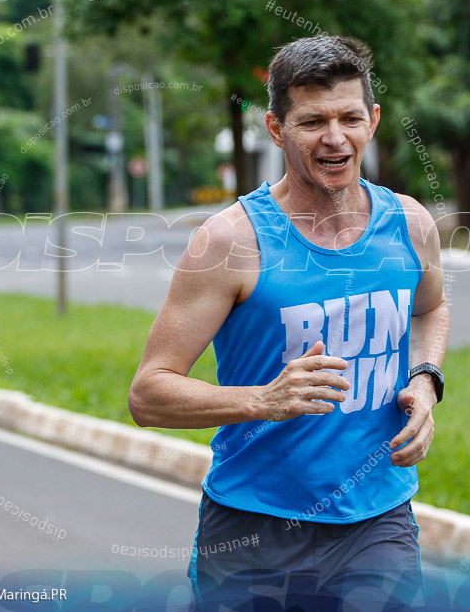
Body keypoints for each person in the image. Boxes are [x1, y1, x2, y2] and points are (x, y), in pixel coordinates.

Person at [129, 35, 448, 610]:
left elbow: (431, 307)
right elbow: (149, 394)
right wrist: (262, 401)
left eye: (350, 117)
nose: (335, 138)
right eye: (312, 122)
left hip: (377, 523)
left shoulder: (410, 222)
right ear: (277, 129)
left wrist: (425, 382)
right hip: (254, 529)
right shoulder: (230, 241)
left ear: (372, 121)